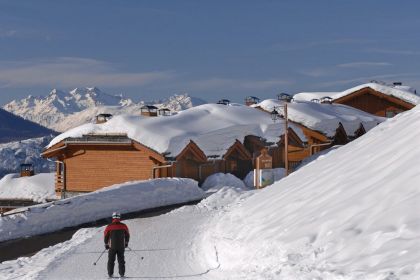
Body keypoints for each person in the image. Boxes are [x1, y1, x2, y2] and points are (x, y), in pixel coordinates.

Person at [104, 212, 130, 278]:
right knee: (121, 260)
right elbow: (127, 234)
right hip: (121, 246)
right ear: (119, 217)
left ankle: (110, 274)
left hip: (112, 247)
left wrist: (106, 244)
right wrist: (126, 242)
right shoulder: (123, 226)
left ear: (113, 217)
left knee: (111, 260)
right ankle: (122, 274)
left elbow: (106, 235)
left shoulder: (109, 226)